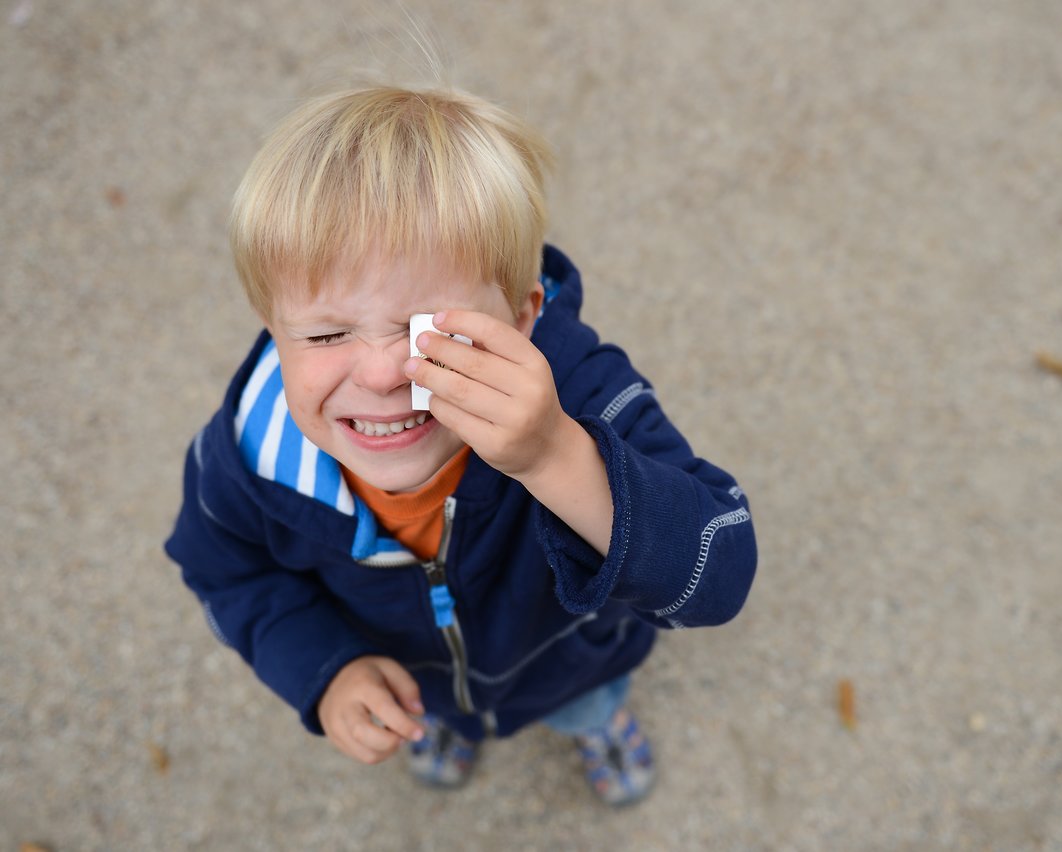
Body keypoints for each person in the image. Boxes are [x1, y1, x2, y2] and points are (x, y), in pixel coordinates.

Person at [165, 85, 756, 807]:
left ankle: (598, 725)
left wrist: (552, 455)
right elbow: (228, 574)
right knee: (431, 711)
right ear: (271, 324)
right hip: (416, 681)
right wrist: (325, 670)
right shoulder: (245, 459)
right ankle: (453, 727)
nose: (383, 375)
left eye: (430, 334)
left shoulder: (578, 391)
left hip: (566, 661)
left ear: (524, 313)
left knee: (583, 703)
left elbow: (718, 571)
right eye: (325, 334)